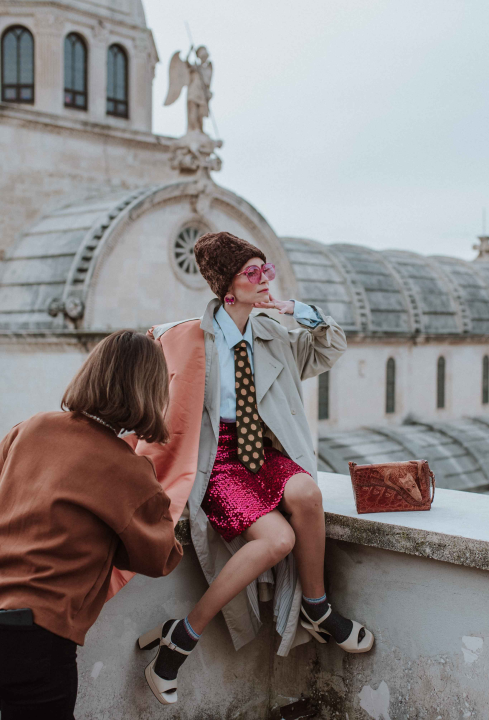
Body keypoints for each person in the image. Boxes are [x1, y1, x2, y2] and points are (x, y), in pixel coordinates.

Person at [130, 231, 373, 705]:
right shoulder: (182, 338)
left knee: (308, 496)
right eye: (252, 273)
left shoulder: (273, 331)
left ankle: (318, 610)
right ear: (226, 290)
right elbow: (142, 393)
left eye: (267, 270)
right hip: (217, 461)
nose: (264, 280)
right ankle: (181, 639)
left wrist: (298, 310)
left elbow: (329, 348)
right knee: (278, 540)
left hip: (264, 451)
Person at [0, 330, 184, 719]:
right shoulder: (128, 470)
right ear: (150, 391)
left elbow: (2, 473)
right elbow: (159, 558)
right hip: (33, 637)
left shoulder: (34, 426)